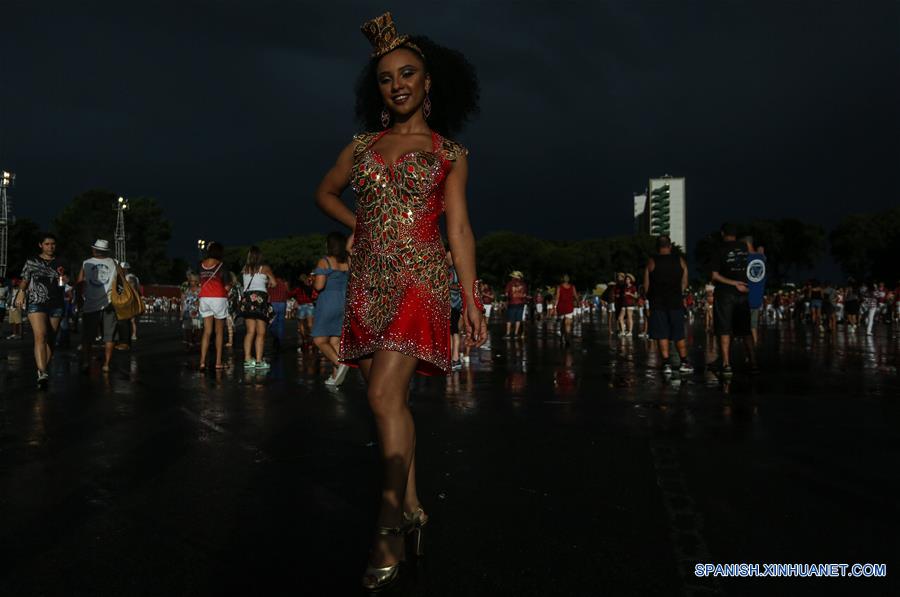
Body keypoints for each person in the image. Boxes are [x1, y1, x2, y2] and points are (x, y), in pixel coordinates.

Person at [314, 12, 486, 589]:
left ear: (429, 81)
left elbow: (458, 229)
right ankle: (412, 506)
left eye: (408, 73)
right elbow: (325, 192)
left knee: (386, 394)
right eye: (387, 78)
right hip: (367, 282)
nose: (398, 84)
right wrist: (356, 222)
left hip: (421, 280)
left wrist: (471, 297)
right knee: (384, 400)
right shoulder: (362, 145)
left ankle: (388, 524)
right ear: (378, 88)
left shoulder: (449, 152)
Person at [17, 233, 66, 386]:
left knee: (51, 339)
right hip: (36, 302)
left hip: (56, 303)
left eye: (53, 244)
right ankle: (42, 372)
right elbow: (25, 280)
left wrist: (63, 280)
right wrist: (21, 293)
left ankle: (44, 366)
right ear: (40, 245)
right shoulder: (32, 261)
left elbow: (62, 285)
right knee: (40, 335)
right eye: (47, 244)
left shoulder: (61, 262)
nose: (50, 247)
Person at [711, 223, 757, 375]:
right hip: (743, 294)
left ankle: (726, 364)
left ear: (723, 233)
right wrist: (750, 286)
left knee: (724, 330)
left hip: (725, 294)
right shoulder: (746, 247)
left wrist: (733, 283)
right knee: (745, 330)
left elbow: (714, 276)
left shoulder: (719, 249)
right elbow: (757, 265)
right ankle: (753, 362)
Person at [644, 235, 692, 375]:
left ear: (657, 247)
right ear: (670, 246)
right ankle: (684, 362)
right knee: (678, 334)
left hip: (658, 303)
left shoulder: (652, 262)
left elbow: (646, 286)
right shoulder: (680, 261)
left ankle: (666, 364)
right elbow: (685, 283)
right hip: (675, 302)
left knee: (662, 334)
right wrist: (678, 292)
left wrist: (651, 298)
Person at [311, 232, 351, 386]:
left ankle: (339, 363)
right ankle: (335, 377)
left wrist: (314, 280)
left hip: (328, 302)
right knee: (335, 340)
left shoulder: (324, 262)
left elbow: (319, 286)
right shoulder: (348, 261)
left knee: (319, 339)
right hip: (343, 303)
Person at [77, 239, 119, 373]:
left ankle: (85, 362)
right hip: (110, 304)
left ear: (95, 250)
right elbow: (122, 282)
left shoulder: (86, 263)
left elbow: (79, 283)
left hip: (90, 305)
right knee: (109, 336)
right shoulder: (115, 263)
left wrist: (79, 301)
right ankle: (106, 364)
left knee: (87, 337)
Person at [239, 246, 275, 370]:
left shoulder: (245, 269)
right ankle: (259, 361)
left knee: (250, 332)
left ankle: (248, 359)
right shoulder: (265, 268)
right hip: (260, 301)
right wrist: (268, 282)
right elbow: (274, 283)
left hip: (248, 300)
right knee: (261, 332)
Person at [198, 241, 229, 371]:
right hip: (218, 298)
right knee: (219, 331)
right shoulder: (221, 265)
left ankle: (202, 362)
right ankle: (217, 362)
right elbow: (226, 285)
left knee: (207, 331)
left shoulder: (201, 265)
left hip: (204, 298)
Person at [744, 239, 767, 345]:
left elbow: (752, 252)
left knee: (750, 323)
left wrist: (747, 242)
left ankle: (752, 342)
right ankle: (754, 342)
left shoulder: (751, 258)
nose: (761, 251)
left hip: (748, 297)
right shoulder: (762, 259)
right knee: (753, 323)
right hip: (755, 298)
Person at [292, 272, 317, 351]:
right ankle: (312, 340)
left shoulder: (298, 288)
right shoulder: (311, 286)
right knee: (310, 325)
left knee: (301, 324)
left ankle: (305, 340)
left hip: (301, 305)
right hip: (310, 305)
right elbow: (315, 295)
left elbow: (290, 294)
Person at [267, 274, 289, 352]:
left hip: (273, 303)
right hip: (282, 303)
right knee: (281, 323)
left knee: (272, 322)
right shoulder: (284, 284)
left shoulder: (271, 283)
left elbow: (268, 293)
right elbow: (287, 294)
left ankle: (275, 337)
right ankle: (280, 341)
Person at [503, 271, 528, 339]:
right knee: (518, 319)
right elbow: (525, 295)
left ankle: (508, 334)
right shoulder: (523, 284)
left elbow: (506, 294)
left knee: (509, 319)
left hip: (512, 303)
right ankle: (516, 334)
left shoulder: (510, 283)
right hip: (521, 303)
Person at [555, 274, 577, 345]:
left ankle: (562, 336)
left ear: (562, 279)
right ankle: (567, 338)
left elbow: (557, 298)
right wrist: (578, 302)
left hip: (561, 307)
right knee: (568, 323)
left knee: (562, 323)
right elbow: (575, 296)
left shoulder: (559, 287)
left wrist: (554, 307)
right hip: (569, 307)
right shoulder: (572, 287)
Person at [180, 273, 201, 347]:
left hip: (196, 312)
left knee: (197, 329)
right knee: (188, 329)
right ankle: (190, 341)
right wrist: (181, 314)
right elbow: (183, 302)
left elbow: (203, 301)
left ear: (197, 281)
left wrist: (199, 302)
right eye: (191, 280)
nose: (192, 282)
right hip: (187, 312)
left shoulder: (200, 290)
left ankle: (195, 339)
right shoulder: (186, 290)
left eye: (194, 281)